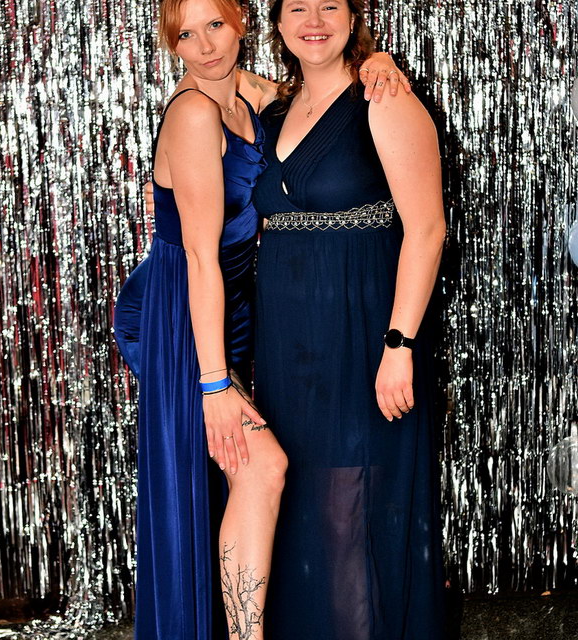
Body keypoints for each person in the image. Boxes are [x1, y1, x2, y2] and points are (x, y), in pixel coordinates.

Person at [124, 0, 406, 637]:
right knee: (260, 466)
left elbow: (323, 90)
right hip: (183, 313)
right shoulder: (195, 113)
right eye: (185, 35)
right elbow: (200, 258)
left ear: (243, 22)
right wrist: (214, 384)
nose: (205, 47)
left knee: (243, 476)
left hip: (233, 309)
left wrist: (378, 62)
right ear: (171, 44)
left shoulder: (250, 94)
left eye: (215, 26)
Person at [251, 0, 447, 638]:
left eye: (329, 5)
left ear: (354, 15)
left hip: (363, 335)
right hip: (288, 344)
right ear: (278, 22)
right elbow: (207, 69)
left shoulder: (383, 100)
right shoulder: (273, 110)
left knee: (352, 511)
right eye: (298, 7)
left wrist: (399, 345)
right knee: (305, 509)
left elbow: (427, 229)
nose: (314, 19)